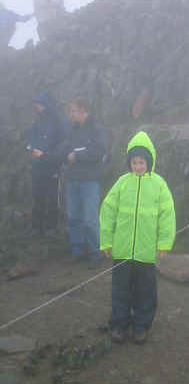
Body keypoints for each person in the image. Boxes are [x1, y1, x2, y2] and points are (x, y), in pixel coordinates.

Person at [100, 131, 176, 344]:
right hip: (122, 251)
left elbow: (167, 216)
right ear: (129, 162)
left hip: (146, 253)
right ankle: (119, 325)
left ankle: (141, 326)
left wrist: (164, 244)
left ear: (149, 161)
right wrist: (106, 241)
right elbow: (107, 211)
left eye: (142, 162)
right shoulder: (122, 183)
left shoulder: (159, 185)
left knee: (145, 292)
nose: (138, 166)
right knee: (120, 291)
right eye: (134, 162)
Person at [53, 97, 107, 265]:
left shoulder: (97, 129)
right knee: (74, 217)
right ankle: (78, 251)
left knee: (90, 219)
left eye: (73, 110)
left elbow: (99, 151)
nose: (70, 114)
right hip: (72, 179)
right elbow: (64, 148)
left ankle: (97, 254)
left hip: (90, 181)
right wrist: (48, 156)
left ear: (83, 111)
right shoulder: (72, 129)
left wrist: (77, 155)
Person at [27, 92, 66, 239]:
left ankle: (51, 227)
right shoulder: (37, 119)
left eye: (38, 103)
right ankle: (36, 227)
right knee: (38, 197)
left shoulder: (57, 121)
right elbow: (31, 137)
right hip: (37, 165)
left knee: (51, 197)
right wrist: (30, 149)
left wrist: (46, 155)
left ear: (45, 103)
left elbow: (62, 143)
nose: (36, 106)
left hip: (52, 165)